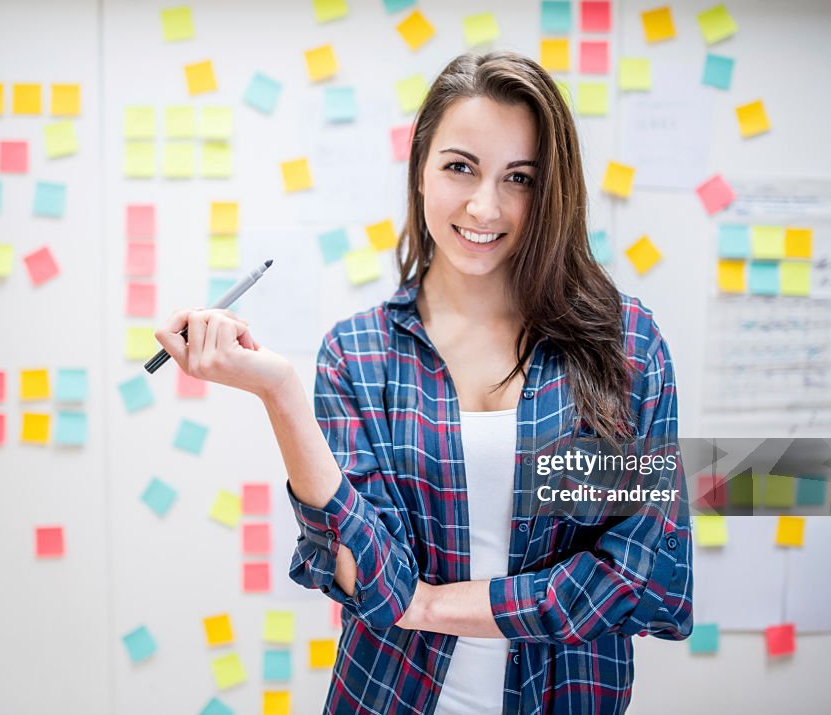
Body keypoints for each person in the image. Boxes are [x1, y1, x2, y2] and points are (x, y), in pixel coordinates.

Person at [155, 50, 692, 715]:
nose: (485, 204)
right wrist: (280, 393)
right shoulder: (359, 356)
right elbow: (375, 587)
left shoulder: (624, 347)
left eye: (519, 177)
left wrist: (436, 602)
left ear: (551, 188)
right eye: (460, 166)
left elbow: (630, 569)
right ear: (420, 171)